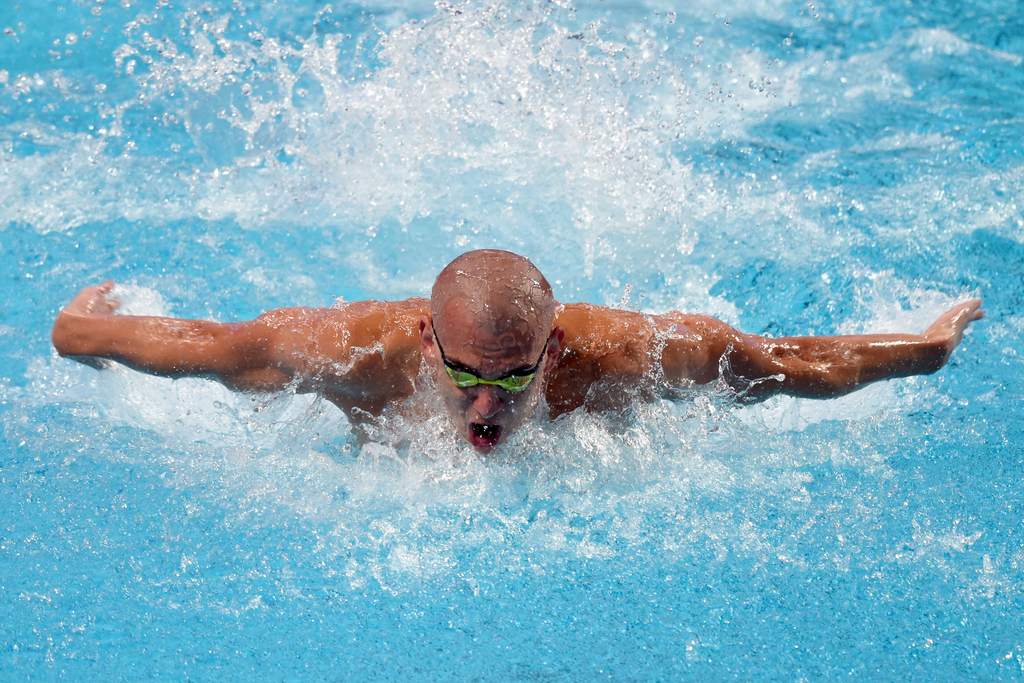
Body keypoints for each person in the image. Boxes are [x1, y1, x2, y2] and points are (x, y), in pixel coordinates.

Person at [51, 249, 984, 452]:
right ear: (424, 337)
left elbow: (786, 364)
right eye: (461, 377)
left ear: (556, 346)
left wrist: (925, 351)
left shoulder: (629, 355)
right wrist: (81, 327)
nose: (485, 409)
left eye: (512, 376)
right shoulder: (345, 351)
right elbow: (203, 346)